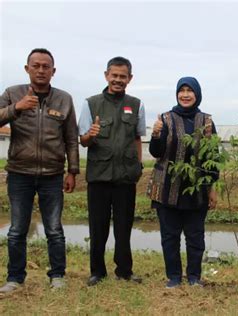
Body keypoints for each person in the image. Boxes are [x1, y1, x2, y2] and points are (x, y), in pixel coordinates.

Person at [0, 48, 79, 293]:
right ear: (27, 68)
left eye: (46, 66)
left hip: (52, 175)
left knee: (54, 229)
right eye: (36, 65)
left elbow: (71, 139)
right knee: (16, 229)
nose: (41, 70)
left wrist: (72, 171)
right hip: (19, 173)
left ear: (53, 71)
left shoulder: (64, 99)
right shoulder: (13, 93)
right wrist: (18, 107)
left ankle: (57, 275)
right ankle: (15, 278)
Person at [78, 56, 146, 286]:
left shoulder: (137, 104)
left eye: (123, 76)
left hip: (126, 176)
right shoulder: (91, 103)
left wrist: (138, 166)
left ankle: (124, 270)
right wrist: (91, 134)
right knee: (98, 227)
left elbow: (137, 138)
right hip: (99, 175)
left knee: (124, 226)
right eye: (114, 75)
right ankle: (97, 271)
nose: (118, 80)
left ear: (130, 78)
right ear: (106, 75)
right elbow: (83, 141)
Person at [147, 76, 218, 288]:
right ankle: (174, 277)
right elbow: (156, 152)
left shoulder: (206, 121)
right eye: (182, 90)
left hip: (197, 189)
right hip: (167, 187)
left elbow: (212, 157)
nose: (185, 95)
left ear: (197, 94)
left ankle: (194, 276)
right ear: (177, 93)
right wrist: (156, 134)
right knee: (170, 236)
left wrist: (212, 188)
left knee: (195, 236)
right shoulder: (166, 119)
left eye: (190, 91)